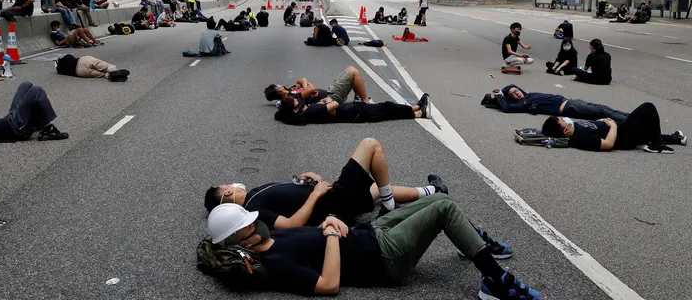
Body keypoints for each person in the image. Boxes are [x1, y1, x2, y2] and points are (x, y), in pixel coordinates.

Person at [203, 194, 541, 297]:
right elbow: (328, 284)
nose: (255, 223)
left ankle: (468, 238)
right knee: (444, 209)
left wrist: (328, 223)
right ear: (239, 241)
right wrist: (333, 235)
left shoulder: (268, 241)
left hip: (370, 232)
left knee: (440, 197)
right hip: (384, 258)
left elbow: (311, 238)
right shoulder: (273, 263)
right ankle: (494, 282)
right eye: (247, 224)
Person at [204, 138, 451, 226]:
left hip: (332, 197)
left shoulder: (256, 193)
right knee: (370, 145)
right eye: (229, 187)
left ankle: (433, 190)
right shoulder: (252, 211)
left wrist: (301, 179)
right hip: (334, 204)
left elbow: (287, 195)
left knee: (375, 189)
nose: (234, 186)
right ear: (226, 195)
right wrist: (315, 194)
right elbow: (291, 224)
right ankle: (389, 207)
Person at [541, 102, 686, 154]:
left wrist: (602, 121)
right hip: (624, 137)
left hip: (622, 129)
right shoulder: (580, 139)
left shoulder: (575, 127)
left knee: (649, 129)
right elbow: (608, 144)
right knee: (647, 108)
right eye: (562, 120)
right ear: (565, 131)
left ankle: (676, 139)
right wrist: (612, 126)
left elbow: (594, 126)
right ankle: (656, 145)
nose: (564, 119)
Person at [488, 84, 629, 122]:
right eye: (513, 93)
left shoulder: (528, 94)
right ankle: (633, 120)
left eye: (516, 90)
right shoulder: (523, 104)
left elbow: (512, 84)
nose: (517, 92)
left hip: (570, 101)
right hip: (569, 107)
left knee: (604, 108)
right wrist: (500, 95)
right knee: (602, 113)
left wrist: (504, 89)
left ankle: (631, 116)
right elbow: (506, 108)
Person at [275, 94, 431, 125]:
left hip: (352, 112)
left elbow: (327, 104)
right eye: (294, 102)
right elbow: (333, 103)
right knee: (387, 107)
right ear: (295, 110)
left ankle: (418, 111)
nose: (297, 100)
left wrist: (325, 103)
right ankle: (417, 109)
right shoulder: (309, 112)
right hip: (354, 112)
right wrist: (327, 102)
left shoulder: (307, 110)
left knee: (386, 112)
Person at [264, 66, 372, 105]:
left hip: (330, 91)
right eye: (278, 85)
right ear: (279, 89)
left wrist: (304, 87)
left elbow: (302, 80)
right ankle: (366, 101)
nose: (280, 84)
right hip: (333, 98)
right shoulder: (292, 98)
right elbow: (312, 88)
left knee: (348, 70)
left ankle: (358, 98)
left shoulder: (291, 90)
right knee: (353, 71)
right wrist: (307, 88)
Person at [54, 54, 130, 82]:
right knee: (105, 66)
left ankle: (110, 76)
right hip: (83, 61)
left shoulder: (60, 70)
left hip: (79, 73)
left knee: (101, 75)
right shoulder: (66, 57)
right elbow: (71, 57)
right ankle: (112, 70)